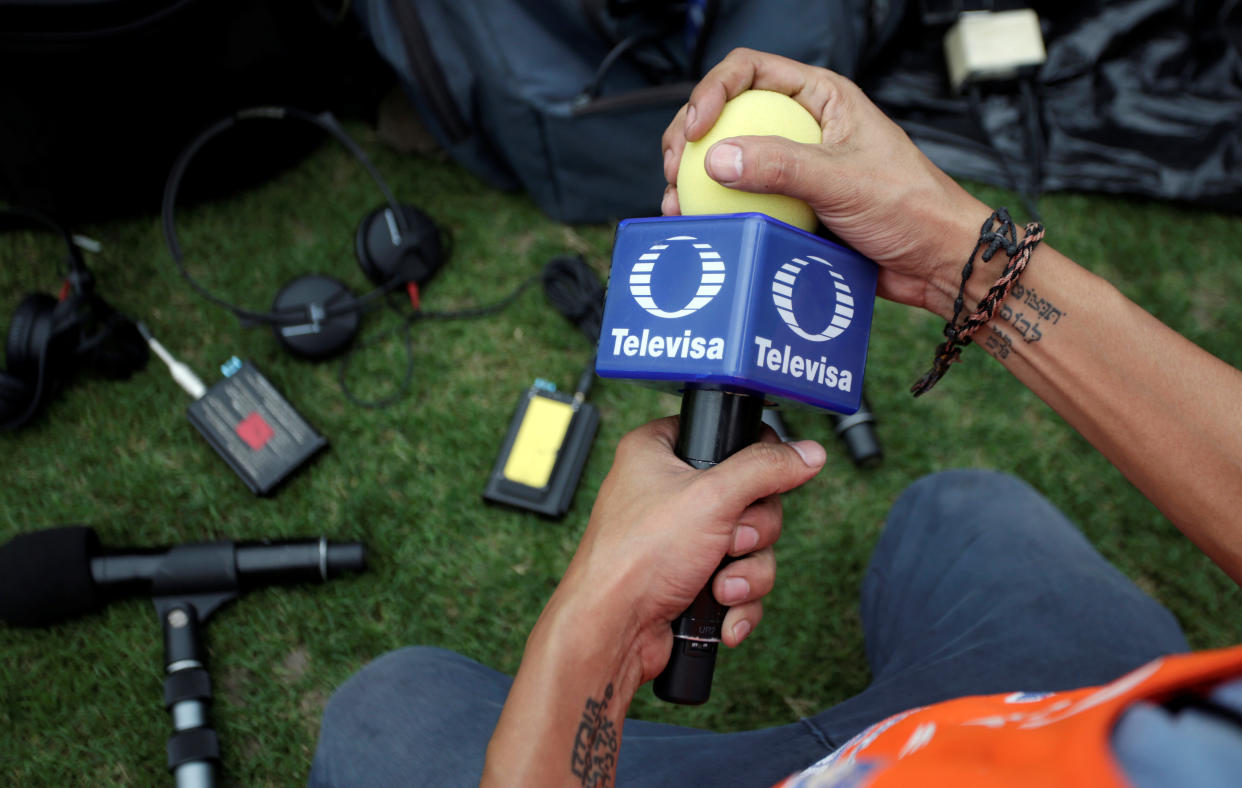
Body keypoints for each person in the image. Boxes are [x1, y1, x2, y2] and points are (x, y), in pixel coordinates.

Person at [308, 49, 1242, 787]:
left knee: (386, 717)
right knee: (964, 511)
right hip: (1078, 720)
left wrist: (605, 608)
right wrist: (958, 254)